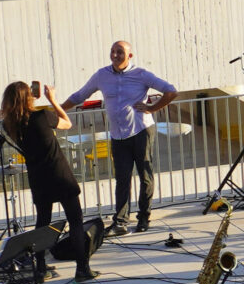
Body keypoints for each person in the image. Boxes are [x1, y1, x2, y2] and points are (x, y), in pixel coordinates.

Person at [62, 40, 176, 233]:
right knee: (122, 179)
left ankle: (144, 217)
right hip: (118, 135)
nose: (115, 55)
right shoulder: (102, 75)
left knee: (145, 176)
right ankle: (120, 221)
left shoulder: (141, 74)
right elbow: (80, 96)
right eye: (113, 51)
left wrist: (152, 108)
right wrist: (56, 110)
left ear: (129, 56)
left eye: (120, 52)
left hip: (141, 131)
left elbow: (171, 91)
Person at [3, 81, 95, 282]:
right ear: (29, 97)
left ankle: (41, 269)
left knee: (42, 223)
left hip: (38, 177)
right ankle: (82, 268)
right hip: (58, 173)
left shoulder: (10, 124)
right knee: (75, 221)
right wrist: (52, 99)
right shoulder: (41, 116)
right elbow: (66, 123)